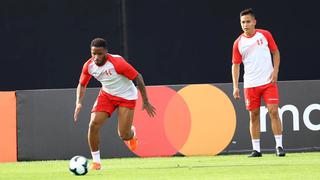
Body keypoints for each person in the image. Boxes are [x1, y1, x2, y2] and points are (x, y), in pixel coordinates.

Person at [73, 38, 156, 170]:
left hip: (126, 96)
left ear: (106, 52)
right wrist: (78, 103)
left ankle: (132, 134)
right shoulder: (88, 66)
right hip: (107, 95)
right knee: (93, 124)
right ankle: (96, 162)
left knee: (124, 135)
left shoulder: (117, 63)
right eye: (93, 53)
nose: (96, 57)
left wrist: (145, 101)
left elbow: (138, 77)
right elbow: (82, 85)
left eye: (99, 53)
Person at [231, 8, 285, 157]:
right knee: (253, 115)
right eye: (243, 22)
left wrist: (275, 71)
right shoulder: (238, 43)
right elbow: (235, 65)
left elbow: (276, 52)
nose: (245, 25)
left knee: (273, 111)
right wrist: (236, 86)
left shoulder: (265, 35)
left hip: (268, 81)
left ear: (254, 22)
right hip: (250, 84)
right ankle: (256, 149)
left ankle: (279, 146)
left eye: (248, 21)